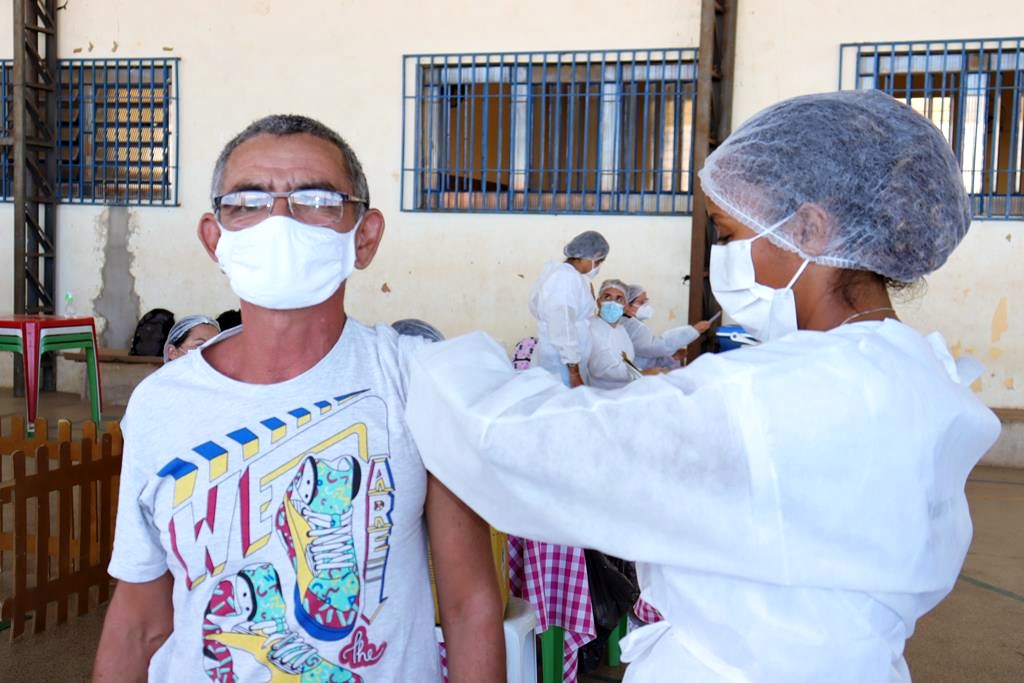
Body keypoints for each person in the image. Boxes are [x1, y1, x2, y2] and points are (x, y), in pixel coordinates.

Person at [402, 90, 1001, 681]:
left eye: (727, 235)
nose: (722, 259)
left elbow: (528, 450)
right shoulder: (912, 374)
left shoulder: (789, 396)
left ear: (812, 229)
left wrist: (422, 359)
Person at [94, 115, 504, 683]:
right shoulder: (160, 403)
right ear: (215, 238)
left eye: (315, 199)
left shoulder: (414, 382)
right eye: (248, 201)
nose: (279, 220)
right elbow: (140, 618)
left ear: (364, 236)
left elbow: (469, 606)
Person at [529, 230, 609, 388]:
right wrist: (574, 372)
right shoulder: (564, 279)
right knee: (561, 404)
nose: (598, 266)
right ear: (586, 257)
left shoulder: (566, 275)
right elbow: (563, 326)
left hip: (567, 360)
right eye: (598, 261)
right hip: (561, 364)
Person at [622, 284, 711, 370]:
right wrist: (694, 330)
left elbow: (647, 359)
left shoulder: (635, 324)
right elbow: (656, 348)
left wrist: (672, 358)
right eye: (641, 302)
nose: (646, 306)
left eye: (646, 301)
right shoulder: (629, 326)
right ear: (627, 305)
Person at [587, 279, 641, 390]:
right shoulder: (591, 328)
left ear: (625, 306)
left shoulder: (621, 330)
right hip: (601, 395)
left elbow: (628, 362)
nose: (612, 303)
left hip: (623, 393)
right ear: (598, 302)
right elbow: (604, 370)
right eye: (607, 297)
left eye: (619, 299)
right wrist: (643, 373)